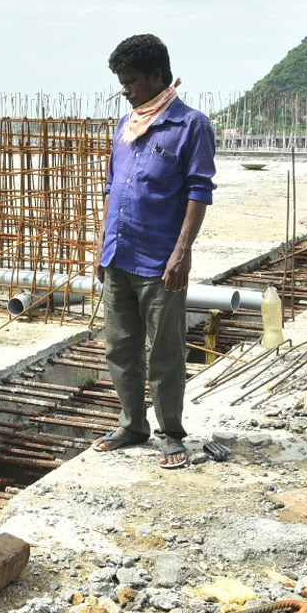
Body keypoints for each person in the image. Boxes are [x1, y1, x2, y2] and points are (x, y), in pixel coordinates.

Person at [91, 34, 216, 469]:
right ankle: (132, 424)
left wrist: (181, 253)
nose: (125, 90)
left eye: (130, 81)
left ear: (156, 77)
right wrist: (101, 243)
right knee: (120, 348)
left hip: (161, 261)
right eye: (122, 82)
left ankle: (170, 432)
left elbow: (199, 193)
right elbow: (111, 187)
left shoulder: (190, 126)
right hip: (118, 255)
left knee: (164, 353)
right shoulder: (126, 128)